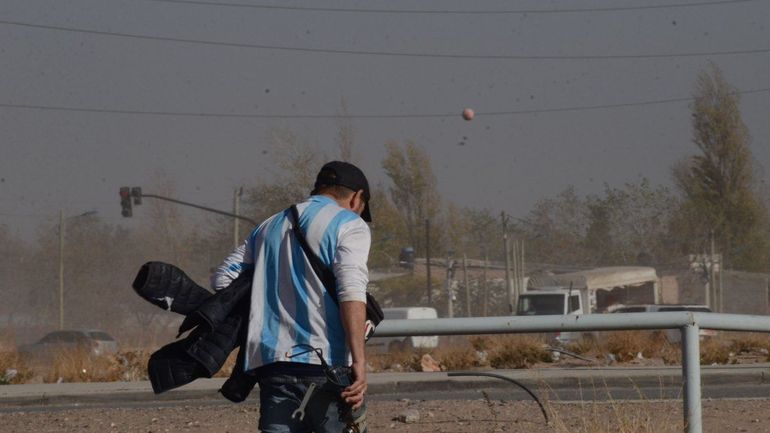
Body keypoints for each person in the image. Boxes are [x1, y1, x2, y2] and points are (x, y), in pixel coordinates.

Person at [211, 161, 372, 433]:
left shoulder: (268, 225)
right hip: (325, 364)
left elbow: (222, 278)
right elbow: (351, 291)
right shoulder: (350, 225)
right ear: (356, 198)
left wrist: (271, 296)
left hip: (272, 362)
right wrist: (359, 360)